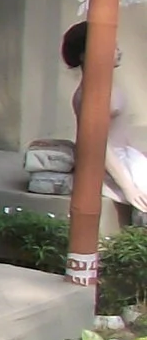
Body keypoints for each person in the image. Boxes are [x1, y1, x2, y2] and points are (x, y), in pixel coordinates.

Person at [62, 21, 147, 223]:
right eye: (112, 47)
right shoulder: (92, 94)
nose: (118, 52)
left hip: (126, 157)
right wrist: (128, 186)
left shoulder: (106, 85)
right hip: (111, 165)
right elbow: (98, 143)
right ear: (86, 54)